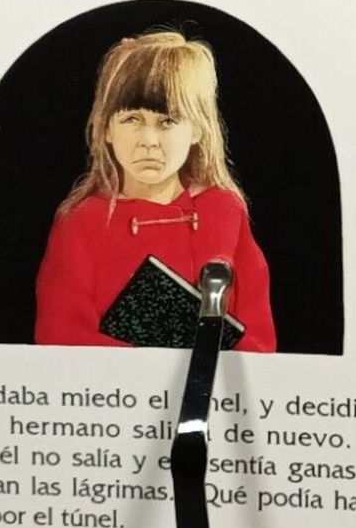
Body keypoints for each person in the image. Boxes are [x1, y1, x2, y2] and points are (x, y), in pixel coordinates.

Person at [34, 31, 277, 351]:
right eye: (132, 118)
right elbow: (60, 336)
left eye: (167, 121)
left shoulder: (224, 211)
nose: (149, 141)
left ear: (197, 130)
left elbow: (258, 343)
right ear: (106, 128)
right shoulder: (81, 220)